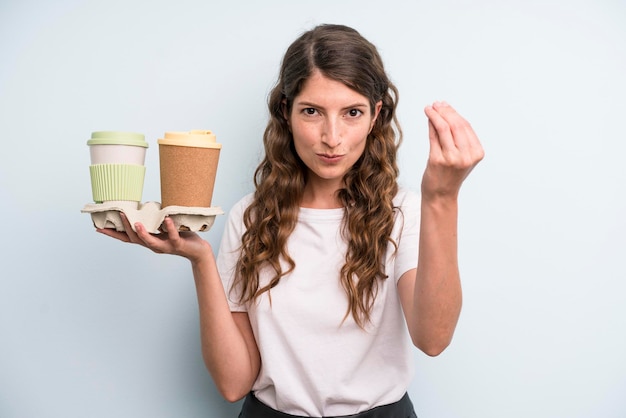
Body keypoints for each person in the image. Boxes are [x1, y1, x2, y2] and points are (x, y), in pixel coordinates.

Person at [98, 23, 484, 418]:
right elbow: (234, 384)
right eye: (312, 112)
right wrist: (200, 260)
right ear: (286, 111)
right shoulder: (250, 217)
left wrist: (443, 197)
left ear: (375, 116)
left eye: (352, 112)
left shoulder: (403, 213)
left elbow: (433, 338)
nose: (331, 137)